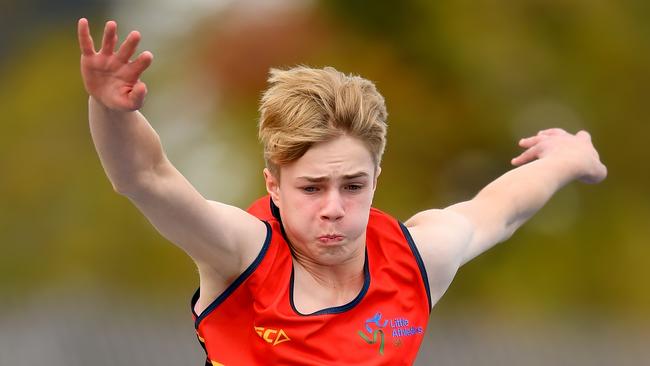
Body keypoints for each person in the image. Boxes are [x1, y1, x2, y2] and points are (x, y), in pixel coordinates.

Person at [77, 18, 608, 366]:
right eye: (311, 188)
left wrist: (565, 160)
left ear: (376, 178)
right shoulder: (241, 253)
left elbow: (500, 209)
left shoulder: (417, 258)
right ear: (274, 187)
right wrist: (109, 108)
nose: (334, 209)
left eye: (353, 186)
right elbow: (145, 177)